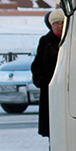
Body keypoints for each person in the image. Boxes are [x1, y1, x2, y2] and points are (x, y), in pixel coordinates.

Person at [31, 8, 66, 138]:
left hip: (66, 88)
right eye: (56, 23)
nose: (59, 26)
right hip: (49, 88)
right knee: (51, 123)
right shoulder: (45, 41)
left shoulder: (70, 39)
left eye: (62, 23)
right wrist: (41, 81)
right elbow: (36, 64)